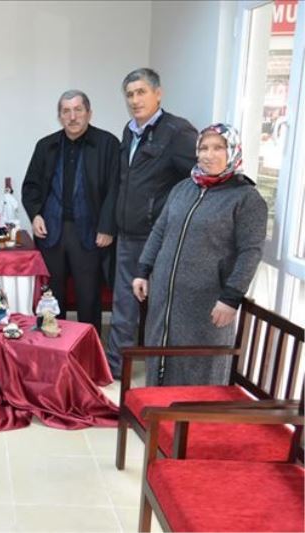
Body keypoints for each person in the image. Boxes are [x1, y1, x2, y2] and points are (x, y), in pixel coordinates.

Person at [132, 123, 266, 386]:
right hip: (164, 300)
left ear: (233, 151)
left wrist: (231, 298)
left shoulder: (246, 199)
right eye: (203, 148)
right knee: (158, 360)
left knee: (197, 370)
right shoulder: (183, 188)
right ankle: (158, 409)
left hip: (207, 305)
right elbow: (160, 230)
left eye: (218, 148)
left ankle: (193, 415)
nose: (209, 154)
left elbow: (250, 252)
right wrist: (143, 270)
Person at [106, 68, 198, 378]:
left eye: (141, 92)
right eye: (130, 94)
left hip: (159, 240)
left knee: (158, 309)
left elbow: (198, 178)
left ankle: (158, 376)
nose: (135, 100)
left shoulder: (177, 132)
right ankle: (115, 369)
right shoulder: (129, 130)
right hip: (128, 235)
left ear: (158, 94)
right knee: (123, 307)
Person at [21, 89, 120, 334]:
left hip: (90, 232)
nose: (72, 116)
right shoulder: (46, 145)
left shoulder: (107, 144)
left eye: (78, 110)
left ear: (89, 113)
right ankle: (53, 345)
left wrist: (107, 227)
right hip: (51, 232)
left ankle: (87, 346)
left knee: (89, 297)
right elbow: (31, 186)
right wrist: (35, 214)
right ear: (60, 116)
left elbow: (115, 189)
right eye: (66, 111)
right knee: (51, 297)